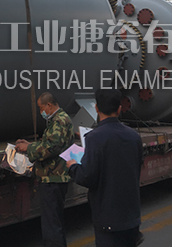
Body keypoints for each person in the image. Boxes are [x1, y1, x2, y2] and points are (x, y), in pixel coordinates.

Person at [66, 89, 144, 247]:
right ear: (120, 109)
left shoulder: (94, 138)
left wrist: (72, 166)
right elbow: (137, 167)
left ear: (96, 108)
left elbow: (87, 176)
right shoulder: (134, 136)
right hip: (131, 217)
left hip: (108, 218)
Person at [16, 92, 74, 247]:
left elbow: (51, 147)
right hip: (55, 176)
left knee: (51, 223)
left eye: (41, 108)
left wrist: (28, 149)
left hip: (53, 177)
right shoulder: (59, 119)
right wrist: (30, 144)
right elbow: (50, 143)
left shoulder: (59, 121)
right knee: (54, 220)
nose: (41, 112)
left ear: (49, 105)